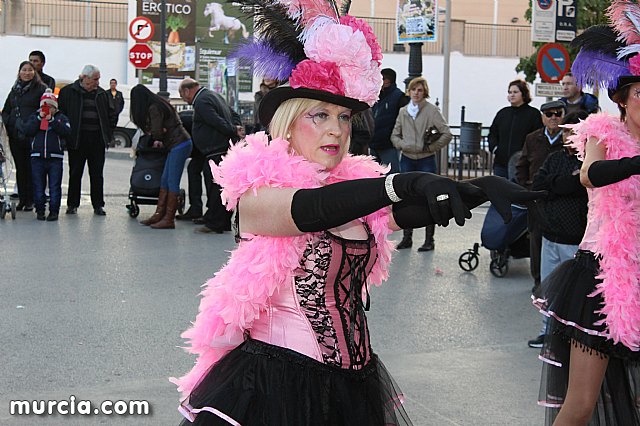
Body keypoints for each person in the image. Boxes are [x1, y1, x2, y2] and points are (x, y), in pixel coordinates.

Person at [171, 5, 542, 425]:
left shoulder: (352, 190)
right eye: (321, 115)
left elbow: (405, 210)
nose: (337, 129)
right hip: (276, 384)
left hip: (353, 383)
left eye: (345, 117)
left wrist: (478, 189)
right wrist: (403, 181)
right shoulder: (258, 193)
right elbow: (312, 211)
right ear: (288, 125)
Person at [533, 20, 640, 425]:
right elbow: (589, 175)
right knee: (580, 405)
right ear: (623, 99)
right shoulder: (603, 134)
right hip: (600, 281)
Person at [526, 110, 588, 349]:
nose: (565, 134)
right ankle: (547, 332)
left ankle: (570, 335)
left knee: (573, 292)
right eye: (564, 130)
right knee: (549, 287)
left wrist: (561, 184)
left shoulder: (588, 162)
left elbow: (578, 185)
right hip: (550, 235)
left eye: (571, 130)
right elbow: (540, 183)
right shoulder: (554, 159)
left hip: (575, 239)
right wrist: (562, 184)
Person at [391, 76, 452, 252]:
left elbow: (446, 133)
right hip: (408, 159)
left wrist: (432, 147)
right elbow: (394, 135)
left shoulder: (432, 110)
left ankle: (429, 240)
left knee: (429, 198)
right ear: (408, 91)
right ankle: (407, 238)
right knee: (405, 199)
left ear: (424, 92)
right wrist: (403, 146)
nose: (416, 93)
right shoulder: (403, 111)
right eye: (413, 90)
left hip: (426, 160)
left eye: (420, 90)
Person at [516, 100, 566, 297]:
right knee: (536, 239)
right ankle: (539, 281)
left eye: (557, 113)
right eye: (549, 114)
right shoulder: (532, 138)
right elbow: (521, 165)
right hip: (537, 199)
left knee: (563, 241)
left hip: (563, 200)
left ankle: (563, 281)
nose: (553, 117)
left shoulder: (571, 138)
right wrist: (524, 189)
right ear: (542, 117)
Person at [178, 78, 240, 234]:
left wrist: (232, 130)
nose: (185, 100)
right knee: (218, 186)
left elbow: (215, 121)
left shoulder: (202, 101)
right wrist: (235, 127)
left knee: (215, 187)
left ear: (187, 90)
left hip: (215, 149)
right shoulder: (214, 95)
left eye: (182, 96)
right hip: (218, 148)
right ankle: (219, 220)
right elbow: (232, 114)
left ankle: (215, 223)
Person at [130, 84, 192, 229]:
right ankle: (160, 215)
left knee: (171, 181)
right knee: (164, 180)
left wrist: (156, 132)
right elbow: (160, 130)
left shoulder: (154, 108)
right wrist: (159, 131)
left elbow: (157, 132)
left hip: (179, 144)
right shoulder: (158, 103)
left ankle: (168, 219)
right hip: (179, 143)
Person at [57, 64, 116, 216]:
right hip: (77, 139)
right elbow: (61, 114)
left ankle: (98, 205)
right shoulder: (68, 92)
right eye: (95, 79)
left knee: (97, 174)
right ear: (84, 78)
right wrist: (66, 135)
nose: (97, 82)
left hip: (97, 139)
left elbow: (111, 115)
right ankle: (72, 204)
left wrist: (108, 134)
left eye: (98, 79)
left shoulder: (102, 94)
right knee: (75, 173)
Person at [1, 60, 46, 212]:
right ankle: (23, 199)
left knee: (33, 168)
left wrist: (35, 125)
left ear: (35, 73)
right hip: (16, 135)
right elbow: (6, 109)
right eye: (24, 70)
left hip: (33, 134)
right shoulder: (15, 90)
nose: (27, 73)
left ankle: (33, 200)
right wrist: (10, 122)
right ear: (19, 72)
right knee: (21, 168)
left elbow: (46, 111)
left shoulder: (41, 89)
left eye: (30, 70)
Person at [23, 89, 71, 221]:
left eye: (50, 106)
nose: (48, 109)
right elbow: (28, 130)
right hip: (37, 157)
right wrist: (39, 119)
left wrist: (53, 121)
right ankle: (40, 210)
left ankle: (54, 211)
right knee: (38, 185)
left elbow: (66, 131)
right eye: (45, 106)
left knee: (55, 186)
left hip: (55, 157)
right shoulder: (35, 117)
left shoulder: (61, 118)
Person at [488, 79, 543, 179]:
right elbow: (492, 133)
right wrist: (495, 148)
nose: (512, 95)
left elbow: (537, 136)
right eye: (510, 92)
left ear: (523, 94)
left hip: (521, 164)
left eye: (515, 92)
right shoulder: (503, 113)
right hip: (501, 163)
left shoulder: (533, 114)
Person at [370, 68, 408, 173]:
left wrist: (397, 140)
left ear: (387, 81)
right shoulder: (376, 97)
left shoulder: (399, 97)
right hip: (374, 143)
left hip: (389, 144)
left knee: (391, 175)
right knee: (374, 175)